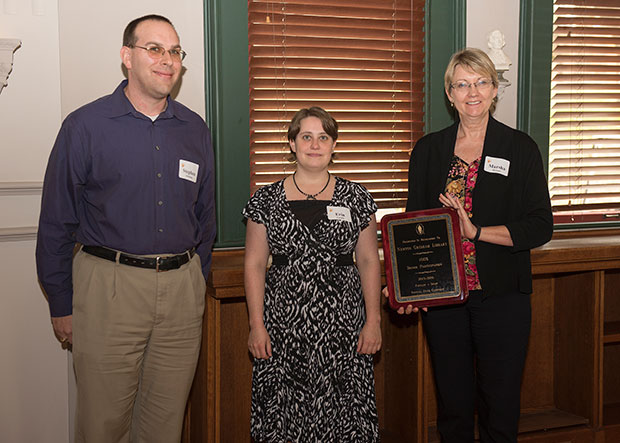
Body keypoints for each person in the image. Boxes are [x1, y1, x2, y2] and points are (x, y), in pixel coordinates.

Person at [35, 14, 215, 443]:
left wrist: (195, 281)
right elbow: (56, 223)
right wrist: (61, 304)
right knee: (103, 426)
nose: (167, 60)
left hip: (181, 295)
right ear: (126, 57)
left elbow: (205, 217)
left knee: (165, 424)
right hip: (108, 289)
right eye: (154, 49)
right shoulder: (85, 127)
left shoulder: (195, 129)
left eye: (174, 51)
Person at [400, 48, 553, 442]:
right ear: (449, 94)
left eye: (481, 82)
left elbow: (540, 226)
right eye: (462, 84)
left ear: (494, 90)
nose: (473, 92)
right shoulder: (428, 150)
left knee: (499, 407)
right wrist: (404, 283)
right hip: (445, 298)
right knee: (452, 408)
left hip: (502, 297)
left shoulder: (520, 149)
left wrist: (477, 231)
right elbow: (415, 226)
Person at [243, 106, 382, 442]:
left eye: (324, 137)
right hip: (282, 327)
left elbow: (367, 260)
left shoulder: (357, 198)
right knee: (285, 412)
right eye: (306, 136)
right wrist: (256, 325)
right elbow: (254, 264)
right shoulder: (265, 201)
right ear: (292, 143)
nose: (315, 144)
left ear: (334, 145)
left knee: (343, 411)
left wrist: (374, 320)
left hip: (344, 326)